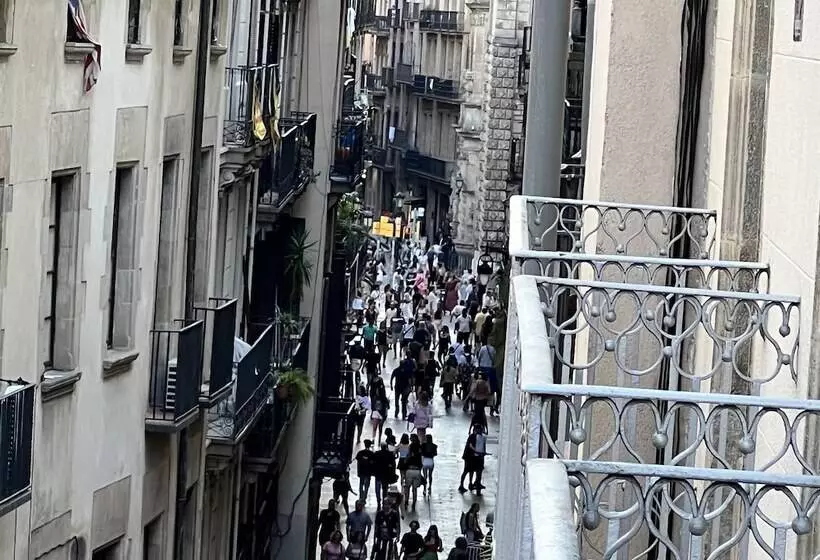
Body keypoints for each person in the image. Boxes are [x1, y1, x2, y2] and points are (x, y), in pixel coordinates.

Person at [459, 425, 487, 495]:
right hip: (468, 456)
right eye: (480, 429)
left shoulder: (481, 437)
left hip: (474, 457)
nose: (481, 431)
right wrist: (477, 451)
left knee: (472, 470)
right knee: (466, 471)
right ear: (476, 430)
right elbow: (470, 446)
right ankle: (461, 485)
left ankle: (471, 484)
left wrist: (482, 452)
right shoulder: (472, 436)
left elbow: (482, 446)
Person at [403, 438, 424, 509]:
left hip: (409, 470)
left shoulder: (409, 455)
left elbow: (405, 462)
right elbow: (421, 464)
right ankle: (414, 502)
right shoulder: (419, 455)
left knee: (407, 487)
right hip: (417, 471)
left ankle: (406, 501)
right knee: (415, 489)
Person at [370, 377, 388, 442]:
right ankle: (374, 439)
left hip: (380, 412)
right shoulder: (374, 393)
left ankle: (378, 440)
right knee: (375, 427)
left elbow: (386, 406)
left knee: (379, 428)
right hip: (376, 411)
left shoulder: (381, 393)